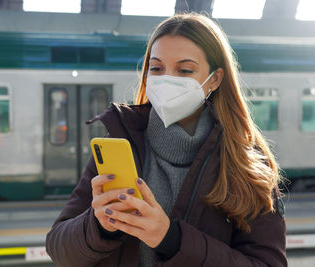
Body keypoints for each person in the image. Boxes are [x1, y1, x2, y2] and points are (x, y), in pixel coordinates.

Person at [46, 13, 287, 267]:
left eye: (184, 70)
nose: (166, 79)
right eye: (157, 68)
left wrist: (171, 240)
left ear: (214, 80)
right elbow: (58, 247)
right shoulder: (122, 140)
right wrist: (98, 226)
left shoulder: (246, 163)